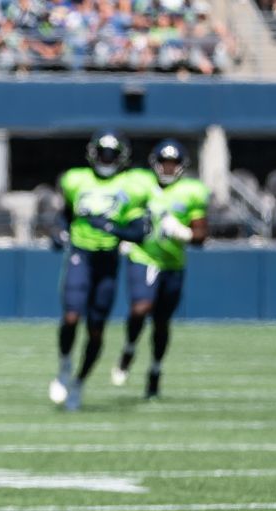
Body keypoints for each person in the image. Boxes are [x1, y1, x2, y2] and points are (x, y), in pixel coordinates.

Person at [50, 129, 153, 411]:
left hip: (107, 260)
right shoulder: (76, 179)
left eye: (112, 154)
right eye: (103, 153)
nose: (107, 158)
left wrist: (111, 227)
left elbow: (140, 231)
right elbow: (65, 215)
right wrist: (58, 231)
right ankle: (64, 366)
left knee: (96, 331)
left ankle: (80, 382)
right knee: (71, 317)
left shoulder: (132, 185)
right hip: (80, 255)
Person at [111, 139, 208, 399]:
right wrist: (123, 236)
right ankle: (129, 348)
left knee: (162, 323)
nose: (167, 168)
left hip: (173, 264)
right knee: (140, 308)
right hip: (143, 256)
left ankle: (155, 370)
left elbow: (201, 236)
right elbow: (118, 209)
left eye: (173, 163)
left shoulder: (191, 191)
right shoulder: (139, 183)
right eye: (163, 162)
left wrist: (183, 233)